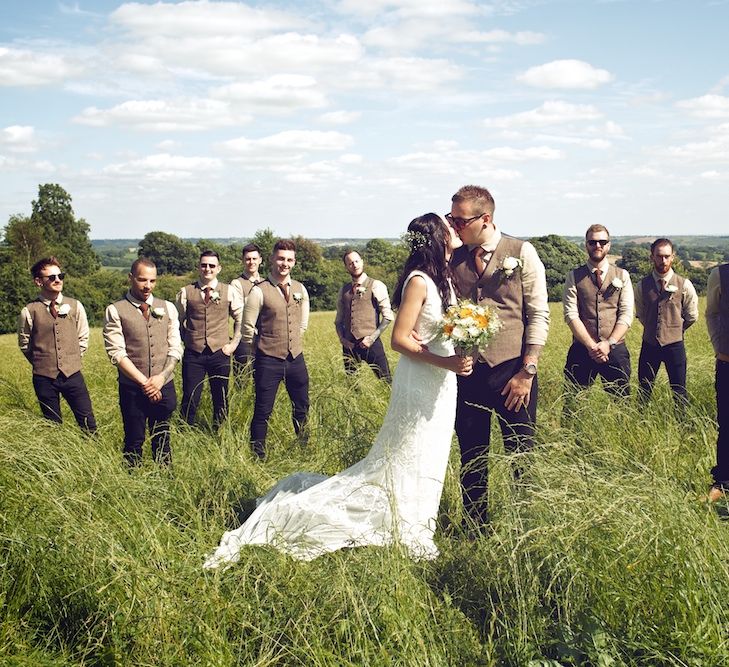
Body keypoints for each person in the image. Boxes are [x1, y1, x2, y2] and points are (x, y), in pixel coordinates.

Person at [203, 214, 472, 568]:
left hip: (442, 381)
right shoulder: (419, 281)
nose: (455, 229)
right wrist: (448, 363)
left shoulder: (445, 279)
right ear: (437, 238)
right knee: (411, 449)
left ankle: (418, 517)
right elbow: (398, 340)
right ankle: (407, 525)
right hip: (423, 378)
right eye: (448, 226)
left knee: (432, 451)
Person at [448, 185, 549, 526]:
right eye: (452, 219)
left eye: (459, 220)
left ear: (485, 218)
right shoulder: (455, 257)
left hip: (513, 373)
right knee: (472, 455)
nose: (454, 226)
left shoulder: (522, 252)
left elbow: (538, 313)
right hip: (468, 373)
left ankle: (528, 526)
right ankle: (475, 526)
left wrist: (527, 371)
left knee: (520, 454)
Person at [103, 258, 182, 466]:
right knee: (133, 440)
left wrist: (161, 378)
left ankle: (165, 484)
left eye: (152, 281)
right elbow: (117, 353)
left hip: (164, 385)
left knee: (163, 438)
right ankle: (131, 485)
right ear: (130, 278)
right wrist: (146, 383)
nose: (148, 286)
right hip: (132, 389)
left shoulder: (168, 308)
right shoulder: (115, 310)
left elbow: (175, 348)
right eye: (142, 280)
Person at [244, 240, 310, 458]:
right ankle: (258, 454)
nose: (285, 263)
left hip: (295, 358)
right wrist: (262, 348)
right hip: (268, 360)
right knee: (263, 410)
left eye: (289, 260)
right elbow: (247, 328)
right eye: (281, 258)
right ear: (272, 259)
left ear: (294, 262)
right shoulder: (259, 291)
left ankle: (303, 448)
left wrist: (292, 341)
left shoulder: (300, 289)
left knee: (301, 406)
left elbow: (302, 323)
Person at [17, 256, 97, 433]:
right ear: (38, 281)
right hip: (43, 378)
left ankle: (91, 455)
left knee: (88, 423)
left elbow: (83, 338)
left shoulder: (76, 306)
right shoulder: (28, 311)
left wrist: (71, 360)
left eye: (60, 276)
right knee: (52, 426)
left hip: (73, 374)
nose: (58, 280)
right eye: (52, 277)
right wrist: (42, 362)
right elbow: (25, 344)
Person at [562, 224, 634, 407]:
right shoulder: (574, 276)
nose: (597, 246)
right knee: (572, 405)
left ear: (609, 245)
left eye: (602, 242)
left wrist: (608, 344)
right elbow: (571, 314)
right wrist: (591, 346)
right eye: (592, 242)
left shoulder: (622, 275)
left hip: (615, 350)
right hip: (582, 349)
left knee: (622, 405)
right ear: (586, 245)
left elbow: (626, 314)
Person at [176, 250, 243, 428]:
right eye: (204, 265)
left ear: (218, 268)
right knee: (190, 396)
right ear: (198, 267)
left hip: (220, 353)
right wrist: (186, 341)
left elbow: (241, 320)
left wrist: (233, 344)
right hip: (194, 354)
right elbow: (177, 322)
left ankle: (219, 432)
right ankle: (184, 431)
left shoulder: (229, 291)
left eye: (212, 266)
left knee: (220, 396)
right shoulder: (185, 292)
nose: (207, 269)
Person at [635, 238, 698, 409]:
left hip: (675, 346)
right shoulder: (642, 286)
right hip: (649, 345)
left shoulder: (684, 285)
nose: (663, 260)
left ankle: (682, 426)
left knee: (679, 392)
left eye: (667, 256)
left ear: (673, 257)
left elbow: (691, 316)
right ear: (652, 257)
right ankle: (638, 426)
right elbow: (641, 314)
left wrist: (675, 329)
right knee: (644, 391)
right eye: (659, 256)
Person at [334, 250, 393, 382]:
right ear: (346, 267)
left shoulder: (376, 285)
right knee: (352, 385)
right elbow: (338, 320)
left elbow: (388, 317)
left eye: (356, 261)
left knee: (386, 381)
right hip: (349, 346)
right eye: (350, 263)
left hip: (372, 343)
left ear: (362, 262)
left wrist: (371, 339)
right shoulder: (343, 290)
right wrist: (342, 339)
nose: (354, 265)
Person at [706, 262, 729, 502]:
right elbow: (712, 313)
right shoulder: (720, 274)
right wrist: (719, 346)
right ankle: (723, 483)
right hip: (727, 362)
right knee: (727, 424)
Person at [231, 243, 263, 378]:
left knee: (262, 377)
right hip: (243, 338)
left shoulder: (266, 283)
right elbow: (239, 312)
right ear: (243, 260)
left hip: (263, 337)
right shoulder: (236, 283)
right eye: (248, 259)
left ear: (260, 260)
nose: (251, 262)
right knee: (242, 378)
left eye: (254, 259)